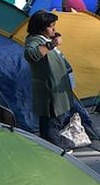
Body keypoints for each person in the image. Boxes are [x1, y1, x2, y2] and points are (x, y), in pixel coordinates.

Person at [24, 11, 72, 141]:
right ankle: (53, 146)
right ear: (41, 27)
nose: (54, 29)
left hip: (56, 87)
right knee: (51, 120)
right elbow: (31, 54)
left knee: (52, 119)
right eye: (51, 26)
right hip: (49, 89)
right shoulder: (34, 40)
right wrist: (52, 44)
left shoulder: (43, 39)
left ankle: (51, 143)